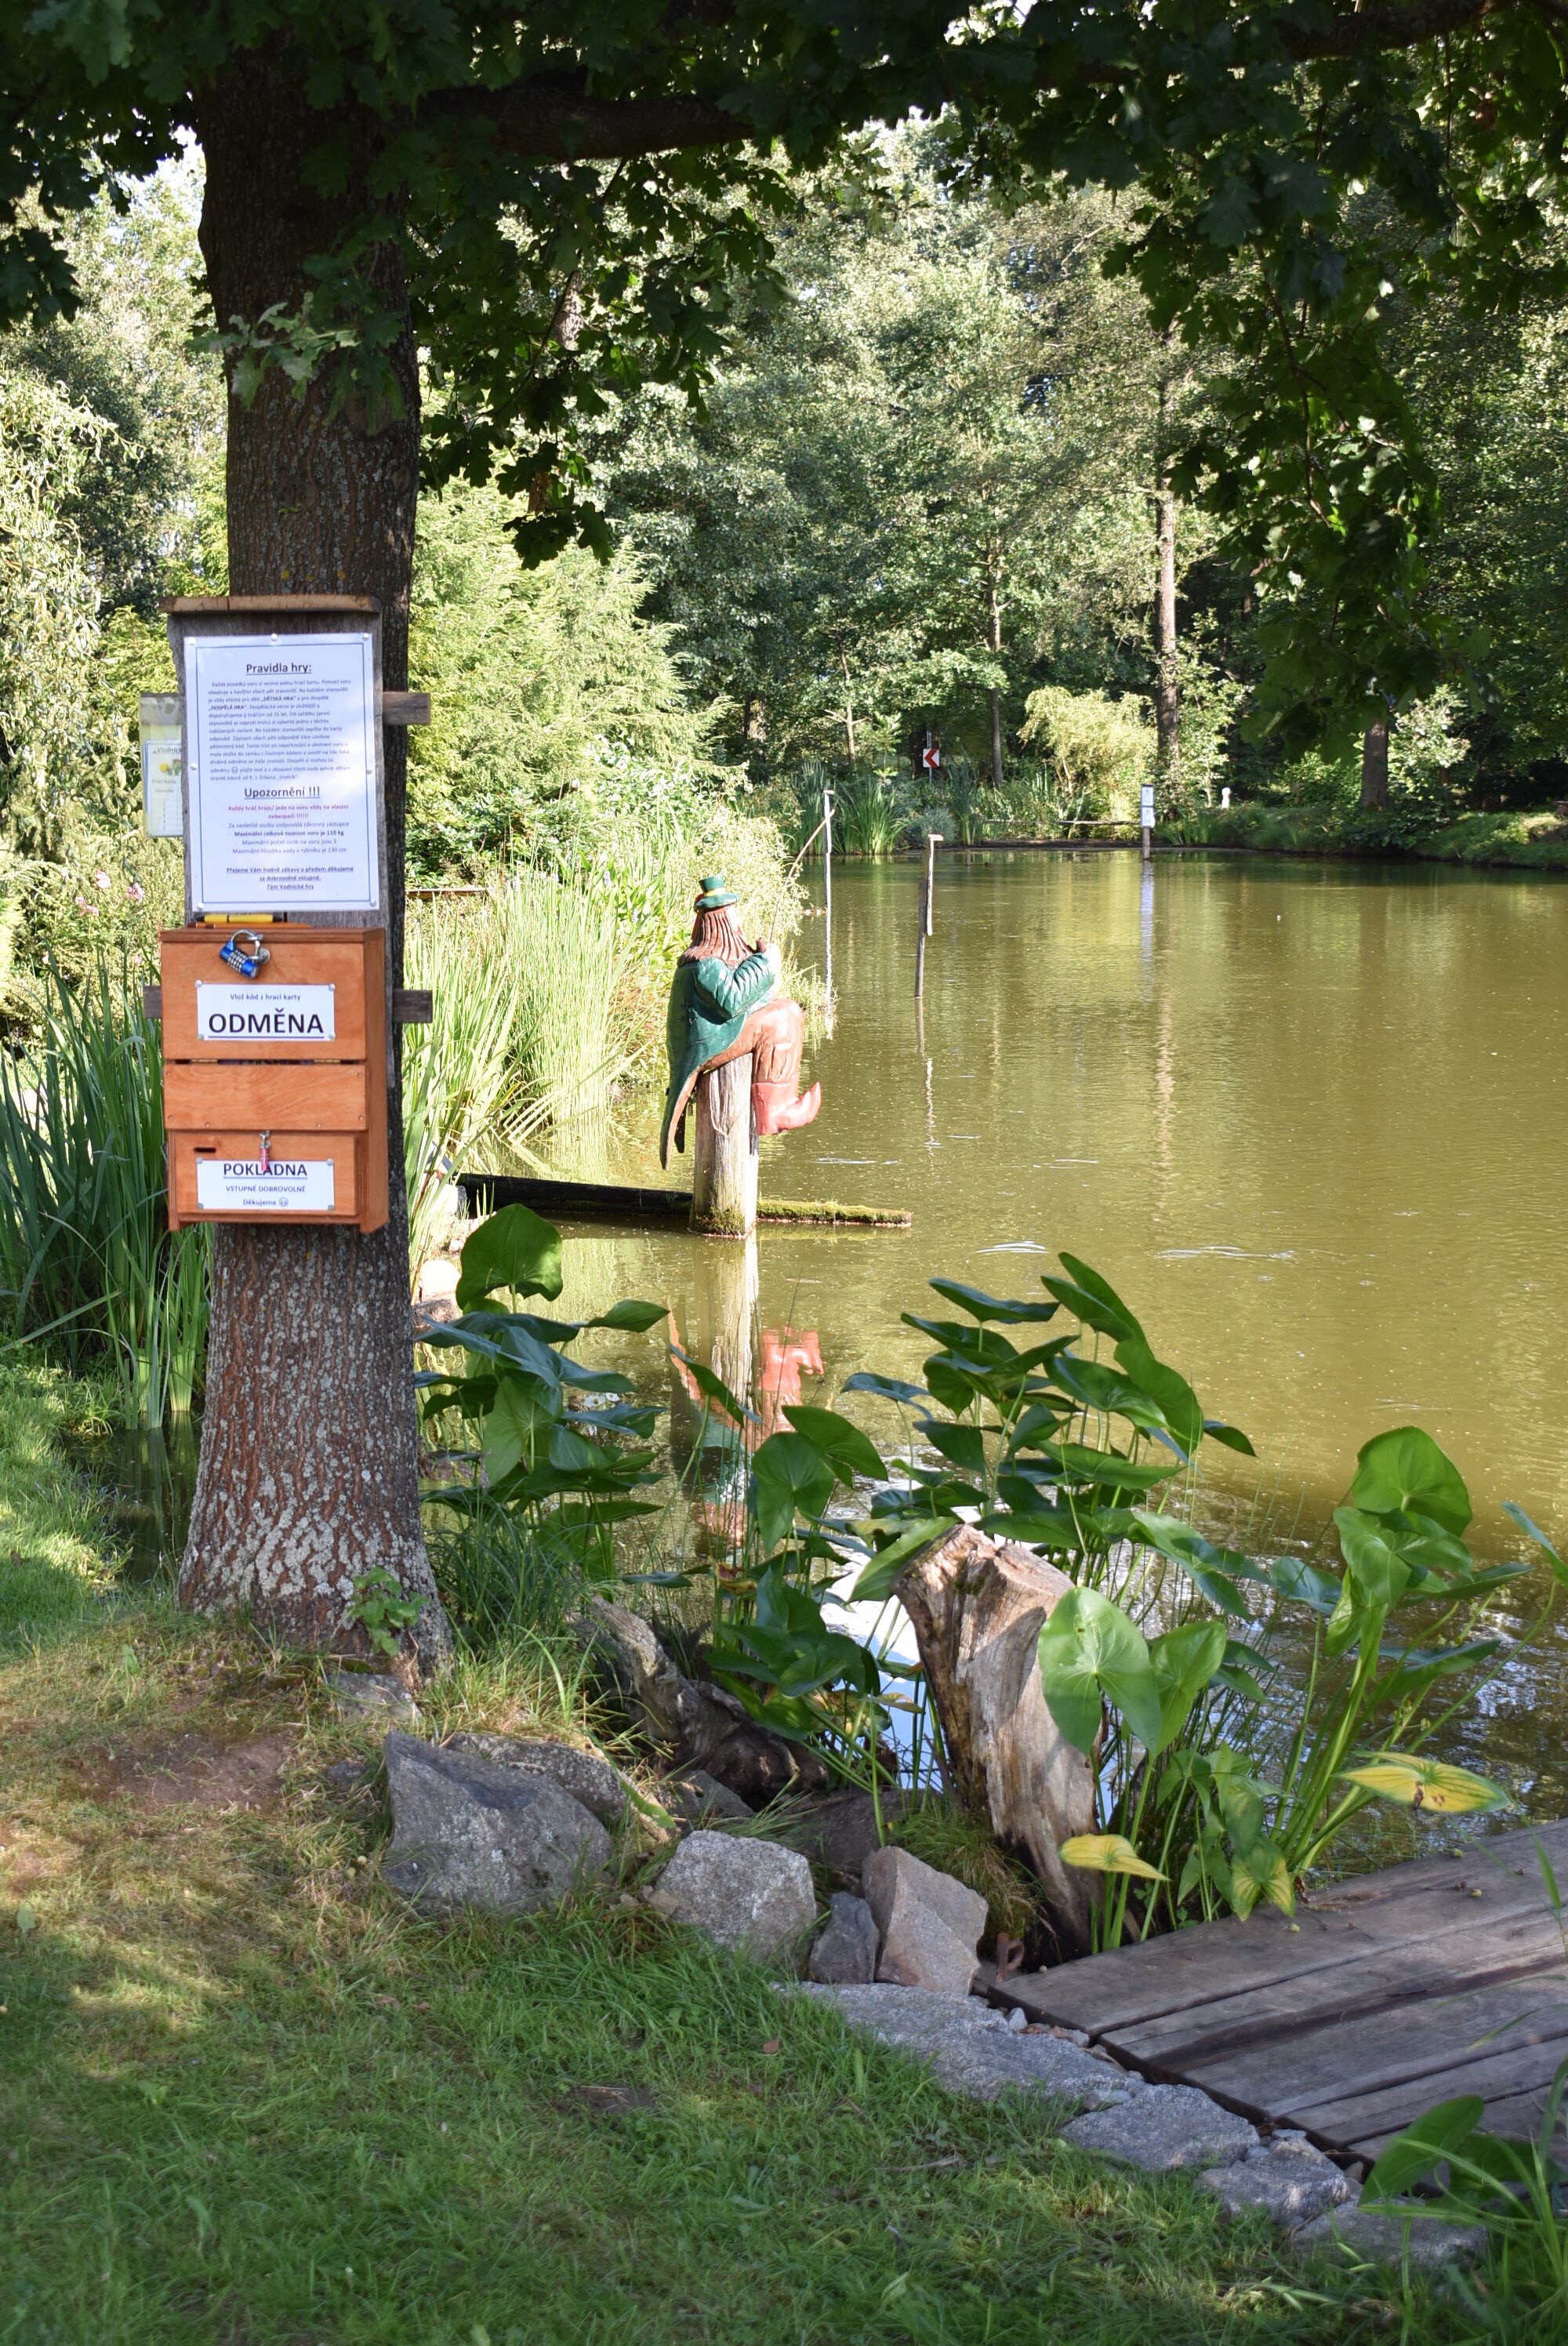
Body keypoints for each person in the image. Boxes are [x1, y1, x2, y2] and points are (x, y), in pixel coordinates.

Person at [659, 874, 822, 1169]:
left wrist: (766, 975)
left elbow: (745, 1000)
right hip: (707, 1047)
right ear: (722, 923)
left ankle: (781, 1102)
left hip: (715, 1037)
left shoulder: (711, 960)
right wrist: (764, 964)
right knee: (782, 1018)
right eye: (732, 917)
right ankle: (774, 1112)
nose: (738, 925)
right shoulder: (704, 964)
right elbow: (732, 1000)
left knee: (788, 1009)